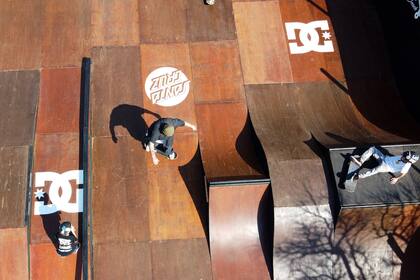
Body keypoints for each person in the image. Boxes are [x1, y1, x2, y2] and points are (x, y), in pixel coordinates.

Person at [350, 147, 419, 184]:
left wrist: (396, 178)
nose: (402, 157)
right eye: (403, 155)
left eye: (404, 158)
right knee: (373, 149)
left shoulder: (406, 166)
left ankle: (358, 177)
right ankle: (360, 161)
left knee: (375, 170)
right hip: (385, 158)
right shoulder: (405, 156)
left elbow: (404, 173)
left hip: (386, 167)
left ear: (409, 161)